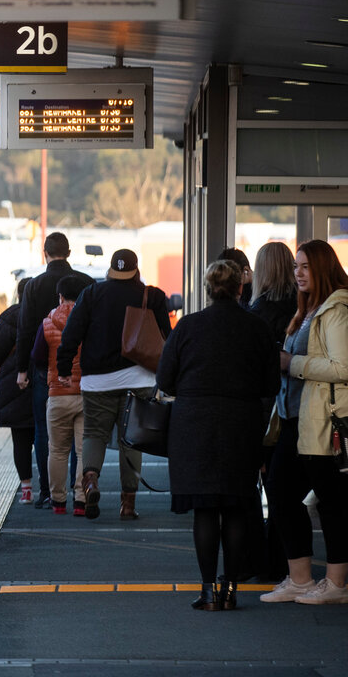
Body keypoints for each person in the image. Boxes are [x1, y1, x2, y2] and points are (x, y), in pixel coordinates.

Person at [157, 260, 280, 611]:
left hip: (193, 424)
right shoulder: (256, 328)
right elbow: (270, 384)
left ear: (208, 289)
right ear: (240, 288)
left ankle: (209, 591)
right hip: (242, 422)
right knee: (238, 505)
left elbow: (164, 379)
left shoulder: (188, 326)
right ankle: (231, 588)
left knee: (206, 509)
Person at [260, 239, 348, 604]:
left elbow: (343, 368)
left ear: (323, 268)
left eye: (306, 266)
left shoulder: (336, 310)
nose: (298, 273)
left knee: (332, 503)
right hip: (294, 420)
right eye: (296, 266)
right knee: (280, 494)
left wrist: (291, 364)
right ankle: (300, 578)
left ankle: (337, 584)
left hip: (323, 424)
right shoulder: (308, 310)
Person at [56, 248, 171, 521]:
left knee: (94, 434)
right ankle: (128, 505)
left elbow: (72, 333)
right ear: (135, 269)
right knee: (131, 439)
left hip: (97, 382)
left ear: (111, 269)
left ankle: (91, 481)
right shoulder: (151, 296)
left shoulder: (92, 294)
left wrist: (63, 367)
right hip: (139, 379)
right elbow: (167, 338)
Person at [15, 232, 95, 508]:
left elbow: (25, 331)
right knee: (80, 439)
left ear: (45, 253)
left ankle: (49, 493)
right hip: (85, 373)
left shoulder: (34, 286)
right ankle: (80, 492)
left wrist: (22, 370)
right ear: (69, 252)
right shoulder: (88, 284)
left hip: (45, 373)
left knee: (45, 433)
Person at [248, 241, 297, 582]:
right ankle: (286, 559)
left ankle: (265, 561)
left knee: (265, 487)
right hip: (299, 408)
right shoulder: (305, 307)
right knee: (288, 491)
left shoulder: (256, 312)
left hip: (265, 413)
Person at [33, 274, 90, 516]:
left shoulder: (47, 323)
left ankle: (58, 501)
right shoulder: (90, 322)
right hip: (86, 393)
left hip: (57, 393)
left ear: (60, 296)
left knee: (56, 450)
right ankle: (80, 500)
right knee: (83, 450)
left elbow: (37, 356)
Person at [0, 278, 34, 503]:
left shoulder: (9, 317)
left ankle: (26, 489)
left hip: (13, 385)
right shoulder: (47, 314)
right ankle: (51, 489)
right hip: (42, 383)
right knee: (49, 439)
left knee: (20, 439)